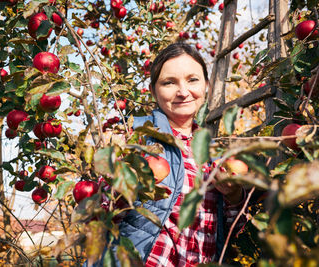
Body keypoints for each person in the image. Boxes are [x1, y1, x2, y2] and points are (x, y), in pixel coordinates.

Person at [90, 41, 246, 267]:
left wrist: (234, 196)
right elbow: (99, 218)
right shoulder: (136, 140)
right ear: (153, 91)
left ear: (206, 86)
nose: (183, 92)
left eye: (192, 80)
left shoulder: (213, 153)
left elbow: (229, 232)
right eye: (169, 82)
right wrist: (124, 184)